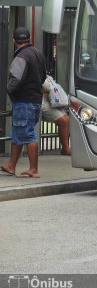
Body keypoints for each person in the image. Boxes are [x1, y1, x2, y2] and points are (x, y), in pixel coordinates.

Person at [0, 27, 46, 178]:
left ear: (14, 40)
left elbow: (16, 79)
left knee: (27, 134)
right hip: (35, 100)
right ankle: (11, 166)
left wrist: (9, 90)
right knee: (18, 133)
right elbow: (44, 77)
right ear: (29, 38)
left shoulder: (21, 56)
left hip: (24, 101)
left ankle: (33, 170)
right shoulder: (37, 54)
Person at [42, 76, 71, 155]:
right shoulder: (39, 74)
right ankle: (65, 149)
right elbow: (46, 87)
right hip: (43, 103)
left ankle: (65, 147)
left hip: (50, 101)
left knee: (67, 120)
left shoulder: (44, 75)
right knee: (64, 121)